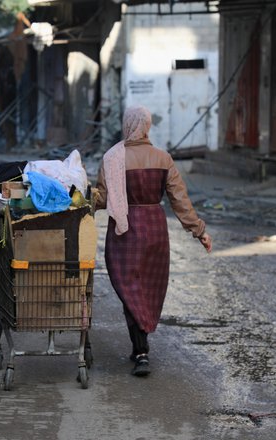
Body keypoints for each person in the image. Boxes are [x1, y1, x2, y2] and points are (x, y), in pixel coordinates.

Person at [95, 106, 213, 377]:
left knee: (129, 287)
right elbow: (180, 201)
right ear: (147, 127)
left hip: (125, 231)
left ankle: (141, 349)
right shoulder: (163, 158)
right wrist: (200, 231)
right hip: (155, 229)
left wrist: (78, 201)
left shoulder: (113, 158)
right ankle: (141, 347)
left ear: (127, 125)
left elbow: (102, 198)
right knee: (147, 286)